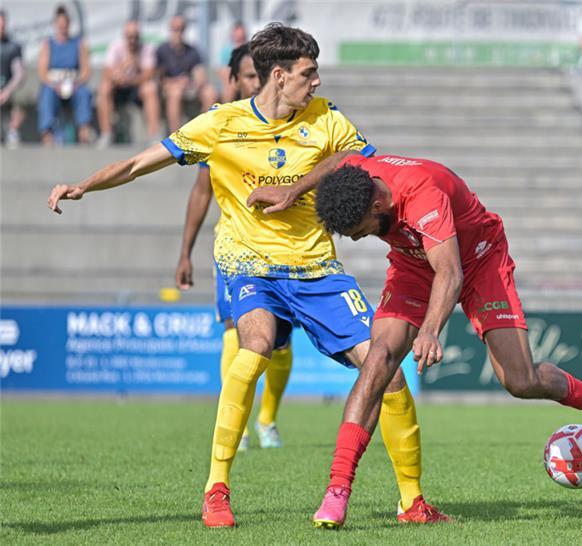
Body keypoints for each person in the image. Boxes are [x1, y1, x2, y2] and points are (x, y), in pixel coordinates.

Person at [47, 23, 446, 529]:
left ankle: (412, 501)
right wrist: (83, 186)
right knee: (253, 343)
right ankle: (216, 489)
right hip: (248, 262)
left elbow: (373, 169)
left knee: (383, 365)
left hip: (315, 267)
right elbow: (137, 163)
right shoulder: (221, 124)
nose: (317, 82)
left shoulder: (328, 121)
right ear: (278, 76)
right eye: (308, 73)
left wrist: (300, 190)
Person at [308, 153, 582, 529]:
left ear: (378, 203)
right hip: (413, 265)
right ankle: (338, 489)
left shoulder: (423, 196)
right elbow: (336, 159)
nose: (357, 236)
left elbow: (450, 273)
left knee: (520, 380)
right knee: (377, 360)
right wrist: (293, 190)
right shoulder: (358, 174)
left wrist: (431, 329)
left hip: (480, 260)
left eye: (361, 228)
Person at [175, 43, 291, 452]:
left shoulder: (290, 122)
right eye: (247, 75)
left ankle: (268, 420)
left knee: (280, 344)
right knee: (235, 331)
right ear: (234, 79)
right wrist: (186, 252)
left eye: (259, 75)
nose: (254, 82)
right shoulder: (222, 126)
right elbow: (201, 191)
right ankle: (237, 425)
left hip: (285, 249)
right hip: (235, 251)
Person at [96, 20, 161, 147]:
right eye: (129, 37)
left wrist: (134, 69)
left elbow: (149, 74)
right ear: (124, 36)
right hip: (118, 88)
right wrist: (123, 67)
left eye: (135, 37)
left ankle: (154, 134)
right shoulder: (115, 47)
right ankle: (106, 133)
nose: (132, 40)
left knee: (150, 89)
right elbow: (107, 73)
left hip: (137, 88)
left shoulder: (146, 49)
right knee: (104, 88)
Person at [37, 4, 93, 144]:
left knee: (84, 93)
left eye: (65, 24)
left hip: (73, 83)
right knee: (46, 94)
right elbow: (43, 72)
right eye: (60, 24)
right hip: (54, 84)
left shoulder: (78, 43)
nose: (62, 28)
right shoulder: (48, 44)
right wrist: (54, 84)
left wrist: (76, 83)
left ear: (69, 24)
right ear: (55, 25)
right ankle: (47, 132)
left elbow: (86, 70)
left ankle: (84, 130)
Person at [155, 15, 217, 132]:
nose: (178, 32)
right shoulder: (162, 50)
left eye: (181, 29)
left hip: (190, 86)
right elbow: (158, 77)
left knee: (210, 91)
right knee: (175, 92)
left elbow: (200, 73)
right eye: (175, 29)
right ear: (170, 29)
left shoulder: (192, 51)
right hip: (170, 86)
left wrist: (193, 83)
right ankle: (176, 137)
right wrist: (175, 82)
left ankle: (207, 132)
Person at [0, 9, 26, 147]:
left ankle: (12, 130)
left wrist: (7, 90)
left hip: (6, 90)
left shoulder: (13, 47)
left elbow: (19, 73)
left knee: (22, 94)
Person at [217, 22, 247, 103]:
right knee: (230, 83)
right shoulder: (227, 50)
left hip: (243, 77)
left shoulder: (249, 49)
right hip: (230, 79)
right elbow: (222, 69)